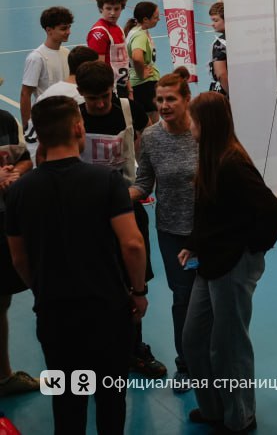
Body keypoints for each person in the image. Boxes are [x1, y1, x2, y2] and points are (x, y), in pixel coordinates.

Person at [6, 95, 147, 434]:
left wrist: (41, 286)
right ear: (78, 128)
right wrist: (138, 292)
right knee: (111, 398)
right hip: (106, 310)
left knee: (67, 398)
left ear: (38, 134)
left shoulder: (21, 191)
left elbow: (19, 257)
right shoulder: (106, 181)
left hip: (55, 312)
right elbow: (131, 243)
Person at [183, 91, 277, 435]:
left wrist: (251, 252)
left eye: (193, 120)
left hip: (232, 266)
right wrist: (195, 244)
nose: (189, 125)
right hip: (210, 262)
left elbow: (272, 211)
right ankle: (213, 408)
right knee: (195, 340)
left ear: (205, 124)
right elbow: (212, 211)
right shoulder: (211, 156)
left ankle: (239, 417)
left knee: (228, 346)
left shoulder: (232, 163)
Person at [78, 61, 167, 380]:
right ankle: (96, 348)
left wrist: (141, 185)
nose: (100, 104)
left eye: (104, 96)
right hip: (88, 215)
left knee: (134, 279)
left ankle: (133, 348)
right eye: (92, 99)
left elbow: (143, 148)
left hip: (127, 206)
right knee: (93, 283)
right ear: (80, 94)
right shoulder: (75, 116)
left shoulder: (130, 110)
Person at [131, 70, 198, 389]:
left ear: (187, 99)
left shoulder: (204, 132)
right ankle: (186, 364)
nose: (165, 105)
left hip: (209, 232)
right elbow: (143, 183)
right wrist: (111, 197)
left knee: (214, 297)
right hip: (172, 232)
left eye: (171, 98)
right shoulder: (152, 137)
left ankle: (213, 360)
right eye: (159, 99)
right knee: (183, 298)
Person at [0, 108, 37, 398]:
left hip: (4, 223)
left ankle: (4, 376)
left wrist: (14, 172)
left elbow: (25, 160)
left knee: (2, 300)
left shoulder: (4, 120)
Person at [20, 6, 73, 130]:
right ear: (49, 30)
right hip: (45, 119)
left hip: (65, 117)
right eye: (63, 28)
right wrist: (27, 126)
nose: (68, 31)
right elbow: (25, 94)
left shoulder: (67, 53)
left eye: (69, 27)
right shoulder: (36, 58)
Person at [86, 0, 130, 98]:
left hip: (122, 85)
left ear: (122, 8)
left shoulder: (118, 28)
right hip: (110, 89)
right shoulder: (99, 32)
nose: (112, 13)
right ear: (101, 8)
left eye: (116, 9)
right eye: (108, 8)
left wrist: (129, 87)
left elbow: (124, 61)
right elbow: (98, 67)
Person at [125, 1, 162, 127]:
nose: (159, 19)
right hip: (144, 86)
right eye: (156, 17)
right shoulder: (140, 35)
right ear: (146, 19)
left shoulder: (137, 30)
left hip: (142, 85)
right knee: (151, 126)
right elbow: (137, 57)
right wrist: (142, 74)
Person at [209, 1, 229, 96]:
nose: (212, 24)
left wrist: (231, 95)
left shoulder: (220, 43)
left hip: (222, 92)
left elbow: (221, 74)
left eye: (216, 20)